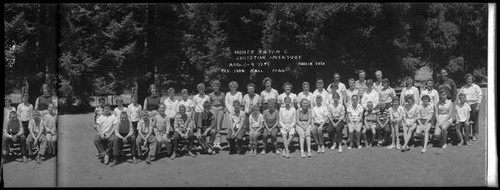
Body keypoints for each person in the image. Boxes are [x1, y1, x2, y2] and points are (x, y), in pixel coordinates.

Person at [458, 73, 482, 141]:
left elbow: (479, 96)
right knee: (466, 120)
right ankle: (467, 134)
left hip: (474, 104)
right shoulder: (463, 87)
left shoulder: (476, 87)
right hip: (465, 105)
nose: (469, 80)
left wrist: (478, 105)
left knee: (474, 120)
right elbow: (460, 96)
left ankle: (475, 134)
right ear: (465, 80)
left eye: (470, 79)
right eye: (467, 79)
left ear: (472, 80)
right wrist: (460, 106)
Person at [208, 80, 225, 151]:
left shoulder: (222, 94)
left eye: (217, 86)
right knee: (213, 126)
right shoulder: (210, 95)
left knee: (219, 127)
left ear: (219, 86)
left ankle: (218, 142)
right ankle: (213, 142)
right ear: (213, 87)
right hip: (213, 109)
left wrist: (223, 110)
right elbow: (209, 104)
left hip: (220, 109)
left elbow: (224, 104)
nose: (215, 87)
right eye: (214, 86)